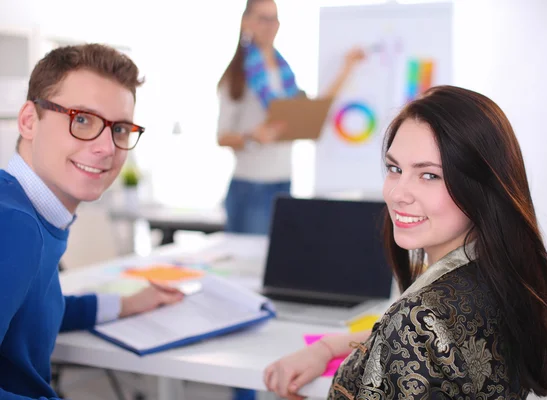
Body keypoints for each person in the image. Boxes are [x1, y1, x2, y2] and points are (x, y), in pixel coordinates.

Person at [263, 85, 547, 399]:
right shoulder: (498, 273)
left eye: (429, 175)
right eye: (394, 169)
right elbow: (415, 334)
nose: (397, 193)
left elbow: (412, 330)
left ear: (479, 187)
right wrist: (327, 346)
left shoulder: (417, 320)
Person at [0, 43, 185, 400]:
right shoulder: (14, 224)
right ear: (28, 120)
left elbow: (36, 305)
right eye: (82, 119)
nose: (106, 147)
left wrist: (126, 304)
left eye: (119, 129)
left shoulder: (31, 213)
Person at [217, 0, 365, 235]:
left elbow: (312, 110)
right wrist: (251, 136)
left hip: (283, 182)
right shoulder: (236, 76)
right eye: (262, 18)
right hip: (251, 185)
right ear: (246, 22)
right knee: (247, 267)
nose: (270, 25)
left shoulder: (285, 74)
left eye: (274, 19)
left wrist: (346, 68)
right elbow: (221, 137)